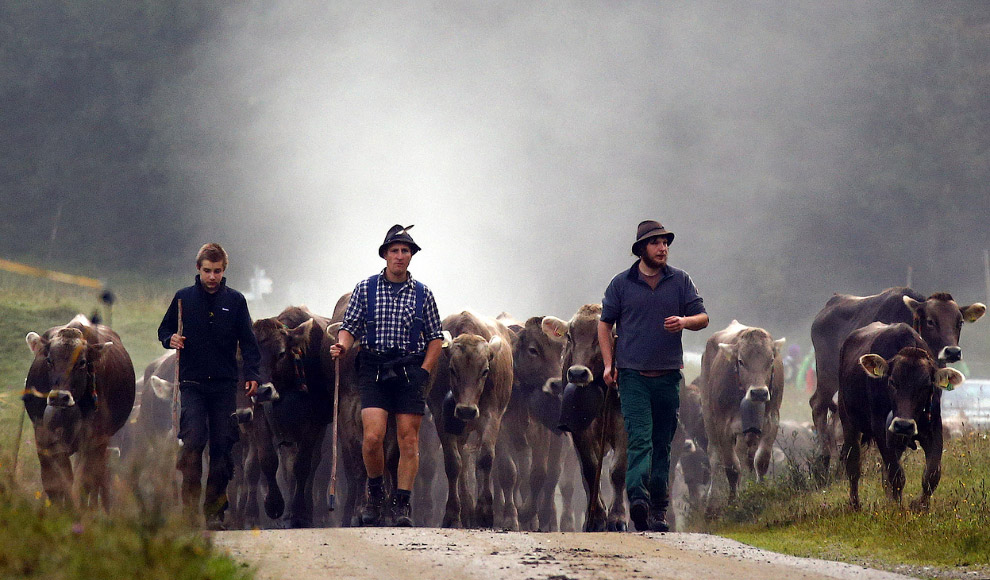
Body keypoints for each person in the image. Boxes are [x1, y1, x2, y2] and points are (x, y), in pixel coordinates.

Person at [598, 219, 709, 532]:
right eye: (656, 243)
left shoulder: (680, 280)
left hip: (669, 376)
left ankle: (659, 508)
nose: (663, 248)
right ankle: (637, 500)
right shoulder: (621, 284)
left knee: (663, 443)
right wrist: (608, 364)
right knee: (640, 439)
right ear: (641, 249)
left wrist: (685, 321)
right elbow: (604, 324)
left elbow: (703, 317)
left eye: (665, 243)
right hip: (632, 376)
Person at [330, 224, 443, 527]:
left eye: (405, 251)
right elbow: (350, 327)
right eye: (394, 251)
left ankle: (402, 504)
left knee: (408, 440)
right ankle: (375, 492)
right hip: (374, 367)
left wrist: (424, 371)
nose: (400, 256)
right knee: (372, 437)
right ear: (385, 255)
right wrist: (341, 345)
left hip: (409, 369)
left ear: (411, 256)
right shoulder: (365, 288)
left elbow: (435, 337)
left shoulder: (423, 294)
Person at [157, 243, 261, 530]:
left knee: (222, 447)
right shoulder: (183, 299)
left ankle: (215, 510)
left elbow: (249, 343)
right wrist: (171, 340)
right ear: (198, 269)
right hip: (192, 383)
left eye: (217, 271)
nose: (212, 277)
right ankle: (190, 510)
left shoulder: (236, 301)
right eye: (207, 271)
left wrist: (252, 374)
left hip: (225, 385)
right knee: (192, 442)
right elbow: (164, 330)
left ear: (224, 270)